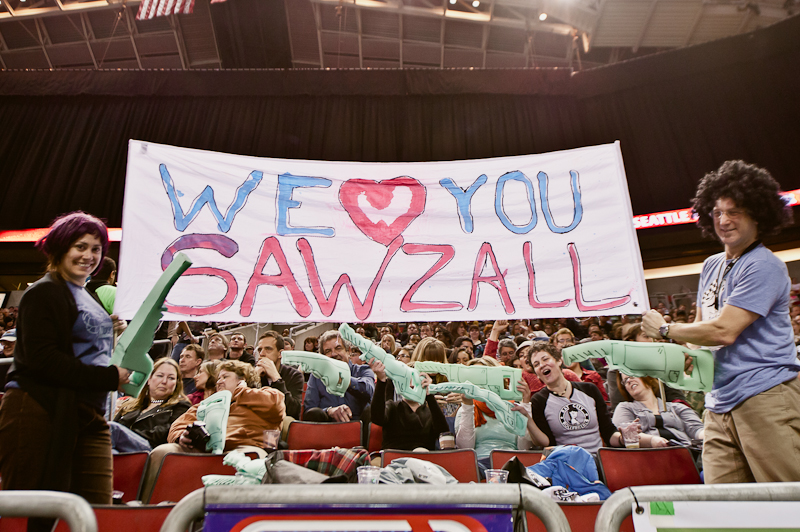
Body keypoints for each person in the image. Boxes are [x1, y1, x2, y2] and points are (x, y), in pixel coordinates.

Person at [643, 160, 800, 483]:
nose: (724, 221)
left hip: (765, 395)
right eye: (717, 212)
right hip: (718, 402)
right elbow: (702, 335)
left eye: (734, 212)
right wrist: (681, 351)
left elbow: (724, 331)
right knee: (722, 501)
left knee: (787, 499)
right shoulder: (711, 264)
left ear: (758, 214)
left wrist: (665, 328)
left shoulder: (764, 266)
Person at [0, 211, 130, 507]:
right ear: (60, 248)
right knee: (32, 511)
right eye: (80, 246)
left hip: (87, 414)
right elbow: (43, 359)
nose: (89, 255)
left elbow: (82, 346)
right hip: (40, 409)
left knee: (96, 510)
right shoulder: (43, 292)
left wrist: (109, 332)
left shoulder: (85, 295)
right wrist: (109, 378)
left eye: (96, 249)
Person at [140, 359, 285, 501]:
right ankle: (146, 506)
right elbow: (178, 425)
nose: (219, 381)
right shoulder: (206, 404)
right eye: (218, 378)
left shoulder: (265, 395)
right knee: (161, 452)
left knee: (250, 458)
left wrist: (241, 391)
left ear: (243, 380)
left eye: (225, 377)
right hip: (203, 448)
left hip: (242, 447)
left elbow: (275, 405)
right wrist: (181, 437)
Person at [517, 344, 624, 453]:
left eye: (545, 359)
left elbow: (608, 432)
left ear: (558, 360)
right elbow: (546, 443)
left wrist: (623, 438)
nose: (542, 365)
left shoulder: (589, 390)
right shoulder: (539, 400)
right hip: (565, 462)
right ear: (537, 374)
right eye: (536, 364)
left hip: (597, 459)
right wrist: (527, 416)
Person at [455, 356, 533, 476]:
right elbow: (465, 449)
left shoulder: (513, 408)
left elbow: (524, 448)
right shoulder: (466, 408)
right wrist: (467, 406)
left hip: (512, 464)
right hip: (479, 466)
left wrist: (526, 404)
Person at [112, 358, 191, 451]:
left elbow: (164, 433)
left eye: (171, 378)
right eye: (160, 375)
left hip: (149, 448)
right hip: (119, 447)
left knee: (113, 429)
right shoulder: (130, 405)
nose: (164, 381)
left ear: (176, 384)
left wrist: (128, 435)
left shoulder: (181, 406)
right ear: (149, 379)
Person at [368, 359, 449, 451]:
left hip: (424, 460)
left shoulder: (430, 411)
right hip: (394, 459)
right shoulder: (392, 407)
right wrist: (381, 381)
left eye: (415, 380)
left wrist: (429, 395)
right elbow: (377, 418)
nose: (411, 385)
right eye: (407, 380)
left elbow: (442, 431)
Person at [612, 372, 704, 448]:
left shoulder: (676, 407)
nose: (629, 381)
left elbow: (697, 429)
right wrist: (652, 440)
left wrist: (710, 435)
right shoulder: (625, 408)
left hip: (685, 453)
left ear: (647, 376)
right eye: (625, 380)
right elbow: (626, 435)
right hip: (649, 458)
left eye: (631, 375)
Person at [303, 330, 375, 423]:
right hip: (327, 427)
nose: (333, 354)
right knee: (315, 413)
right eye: (328, 351)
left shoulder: (363, 370)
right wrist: (329, 411)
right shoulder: (317, 376)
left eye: (338, 348)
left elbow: (369, 391)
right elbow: (309, 411)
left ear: (348, 351)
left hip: (358, 426)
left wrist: (344, 380)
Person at [253, 331, 304, 421]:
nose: (261, 354)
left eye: (268, 349)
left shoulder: (294, 375)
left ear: (280, 354)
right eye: (260, 350)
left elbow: (293, 411)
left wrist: (276, 379)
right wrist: (254, 379)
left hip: (280, 421)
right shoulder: (252, 372)